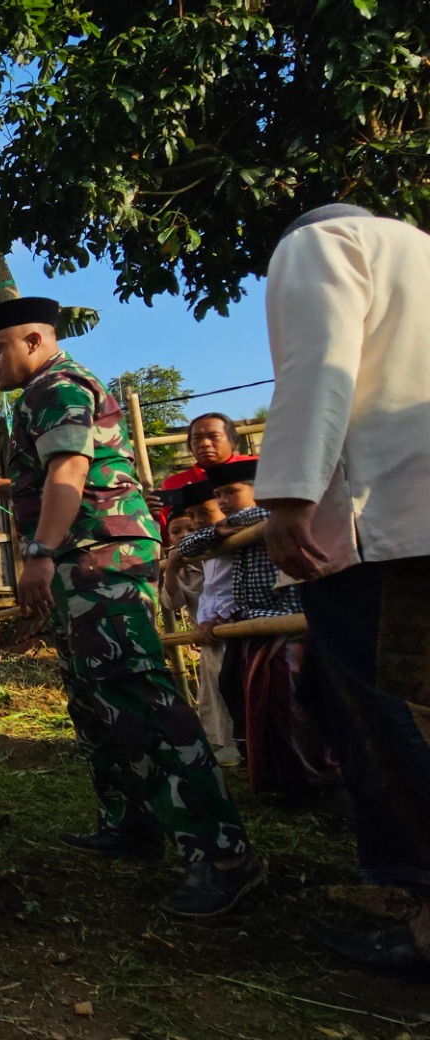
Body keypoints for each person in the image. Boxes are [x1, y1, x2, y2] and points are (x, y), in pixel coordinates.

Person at [0, 295, 262, 918]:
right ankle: (131, 821)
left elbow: (68, 472)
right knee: (94, 697)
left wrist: (39, 551)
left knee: (137, 694)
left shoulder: (57, 385)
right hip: (82, 562)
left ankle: (223, 855)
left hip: (96, 558)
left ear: (35, 341)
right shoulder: (47, 392)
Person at [255, 204, 430, 976]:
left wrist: (289, 492)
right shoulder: (419, 250)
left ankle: (425, 921)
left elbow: (320, 360)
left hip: (385, 523)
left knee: (396, 714)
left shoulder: (320, 242)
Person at [176, 460, 337, 794]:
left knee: (290, 705)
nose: (222, 501)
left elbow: (250, 519)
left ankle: (312, 778)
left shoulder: (273, 515)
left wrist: (217, 530)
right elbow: (185, 546)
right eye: (218, 494)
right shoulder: (232, 526)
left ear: (259, 488)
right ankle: (278, 777)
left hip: (286, 621)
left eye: (231, 491)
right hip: (253, 624)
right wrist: (215, 532)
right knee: (256, 704)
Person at [158, 483, 239, 766]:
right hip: (208, 640)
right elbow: (171, 603)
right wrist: (171, 568)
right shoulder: (182, 562)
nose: (184, 534)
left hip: (234, 630)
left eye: (189, 527)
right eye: (176, 531)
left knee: (235, 691)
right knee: (217, 697)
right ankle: (227, 747)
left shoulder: (224, 548)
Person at [155, 414, 254, 521]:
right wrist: (155, 517)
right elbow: (171, 531)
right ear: (190, 445)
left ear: (233, 440)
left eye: (214, 436)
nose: (205, 443)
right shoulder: (173, 484)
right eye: (197, 438)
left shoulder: (255, 468)